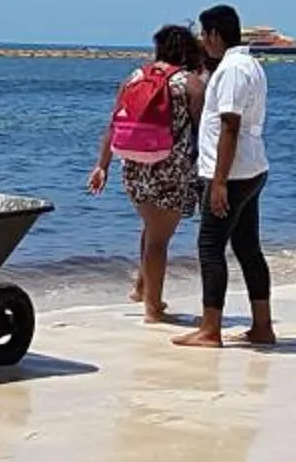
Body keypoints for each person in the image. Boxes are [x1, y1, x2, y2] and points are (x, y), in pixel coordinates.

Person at [88, 25, 210, 324]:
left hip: (132, 167)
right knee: (159, 238)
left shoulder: (134, 78)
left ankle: (142, 288)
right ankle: (153, 308)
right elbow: (203, 131)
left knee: (152, 227)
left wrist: (102, 165)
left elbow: (114, 124)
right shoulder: (190, 84)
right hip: (171, 169)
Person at [176, 5, 274, 349]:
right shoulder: (250, 64)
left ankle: (210, 329)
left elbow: (230, 126)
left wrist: (218, 182)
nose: (202, 41)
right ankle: (262, 325)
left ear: (215, 35)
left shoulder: (232, 69)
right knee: (247, 247)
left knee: (210, 246)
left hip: (232, 172)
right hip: (251, 167)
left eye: (204, 34)